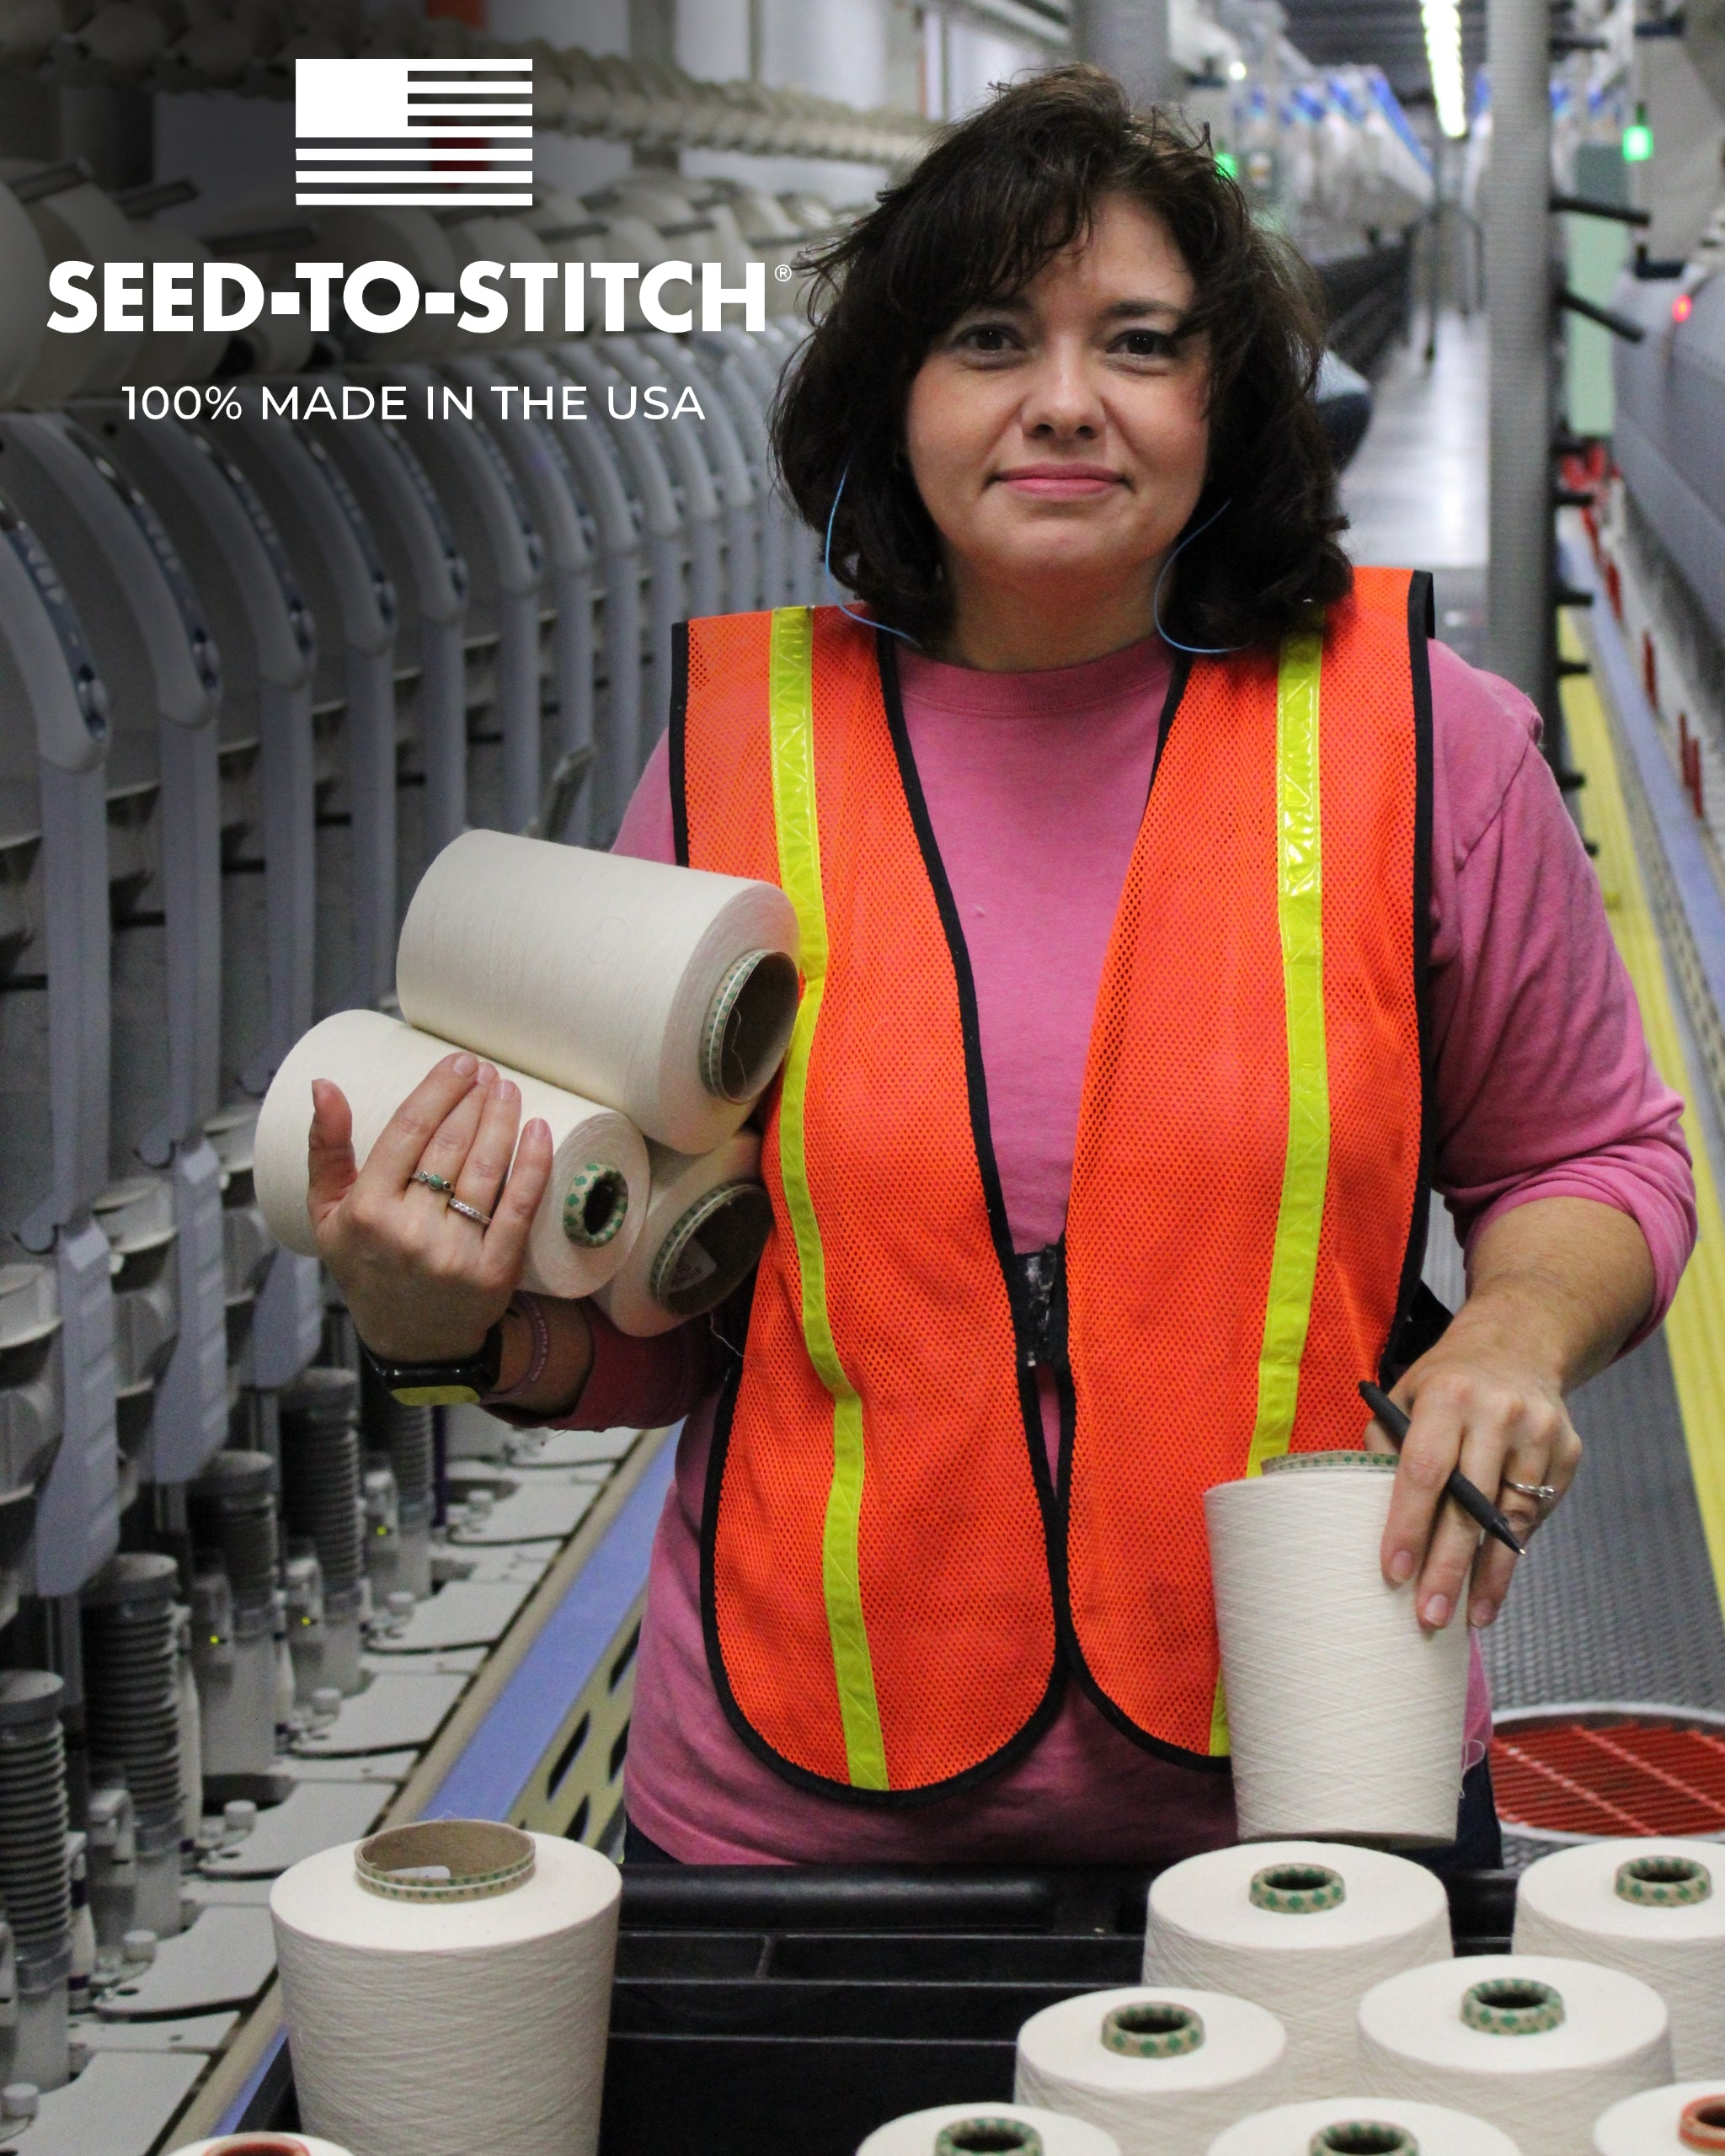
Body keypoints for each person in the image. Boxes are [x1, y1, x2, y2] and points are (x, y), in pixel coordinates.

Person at [307, 69, 1696, 1866]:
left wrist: (1512, 1326)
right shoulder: (737, 771)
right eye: (986, 339)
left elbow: (1599, 1156)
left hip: (1311, 1785)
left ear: (1227, 396)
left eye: (1137, 342)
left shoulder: (1422, 743)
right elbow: (652, 1329)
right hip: (790, 1828)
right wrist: (439, 1328)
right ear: (897, 393)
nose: (1063, 404)